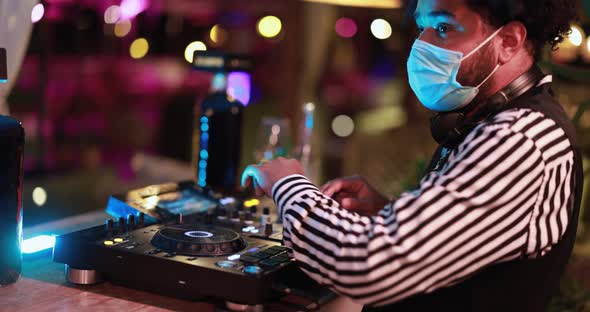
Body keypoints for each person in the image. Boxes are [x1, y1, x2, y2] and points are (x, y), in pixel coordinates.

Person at [241, 0, 582, 310]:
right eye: (423, 28)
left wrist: (288, 185)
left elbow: (369, 265)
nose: (423, 44)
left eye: (444, 27)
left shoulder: (519, 138)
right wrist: (388, 212)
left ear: (508, 42)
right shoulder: (490, 119)